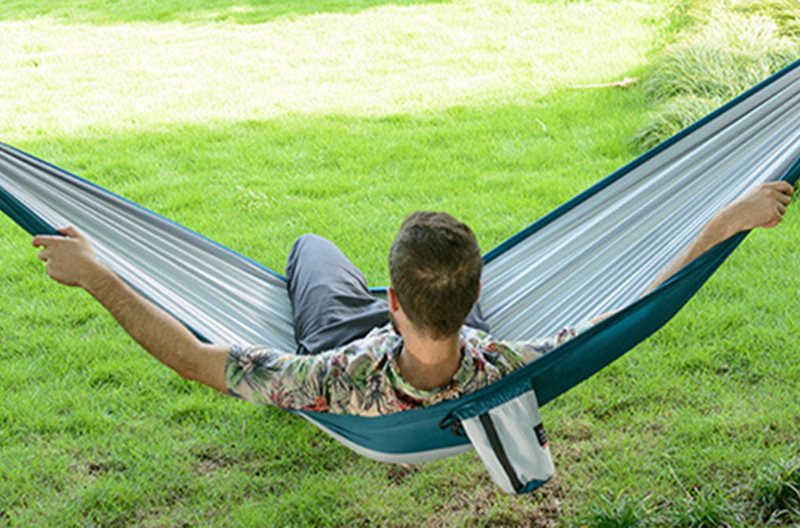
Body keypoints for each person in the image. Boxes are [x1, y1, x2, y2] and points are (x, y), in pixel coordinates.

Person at [31, 182, 793, 417]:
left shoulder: (329, 379)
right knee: (317, 257)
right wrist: (727, 222)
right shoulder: (506, 363)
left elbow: (198, 361)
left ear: (390, 298)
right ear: (478, 288)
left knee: (309, 249)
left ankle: (337, 272)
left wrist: (99, 274)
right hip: (460, 337)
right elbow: (631, 306)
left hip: (339, 337)